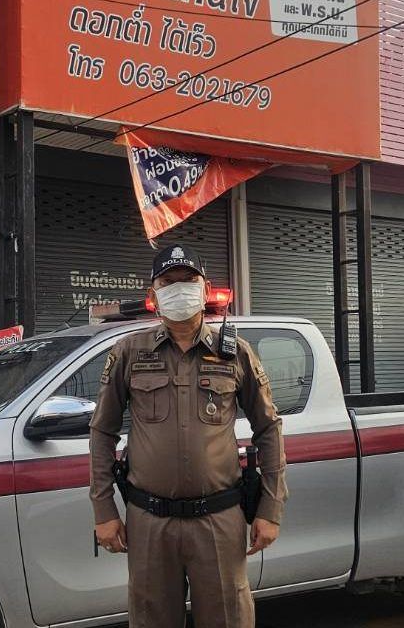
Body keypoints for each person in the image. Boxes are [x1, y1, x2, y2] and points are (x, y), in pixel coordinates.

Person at [89, 244, 288, 628]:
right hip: (149, 521)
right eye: (168, 282)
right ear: (153, 293)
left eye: (188, 280)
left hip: (219, 519)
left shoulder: (235, 353)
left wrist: (270, 509)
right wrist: (104, 510)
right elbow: (102, 431)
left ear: (205, 288)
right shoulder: (129, 352)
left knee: (228, 619)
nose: (178, 289)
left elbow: (268, 428)